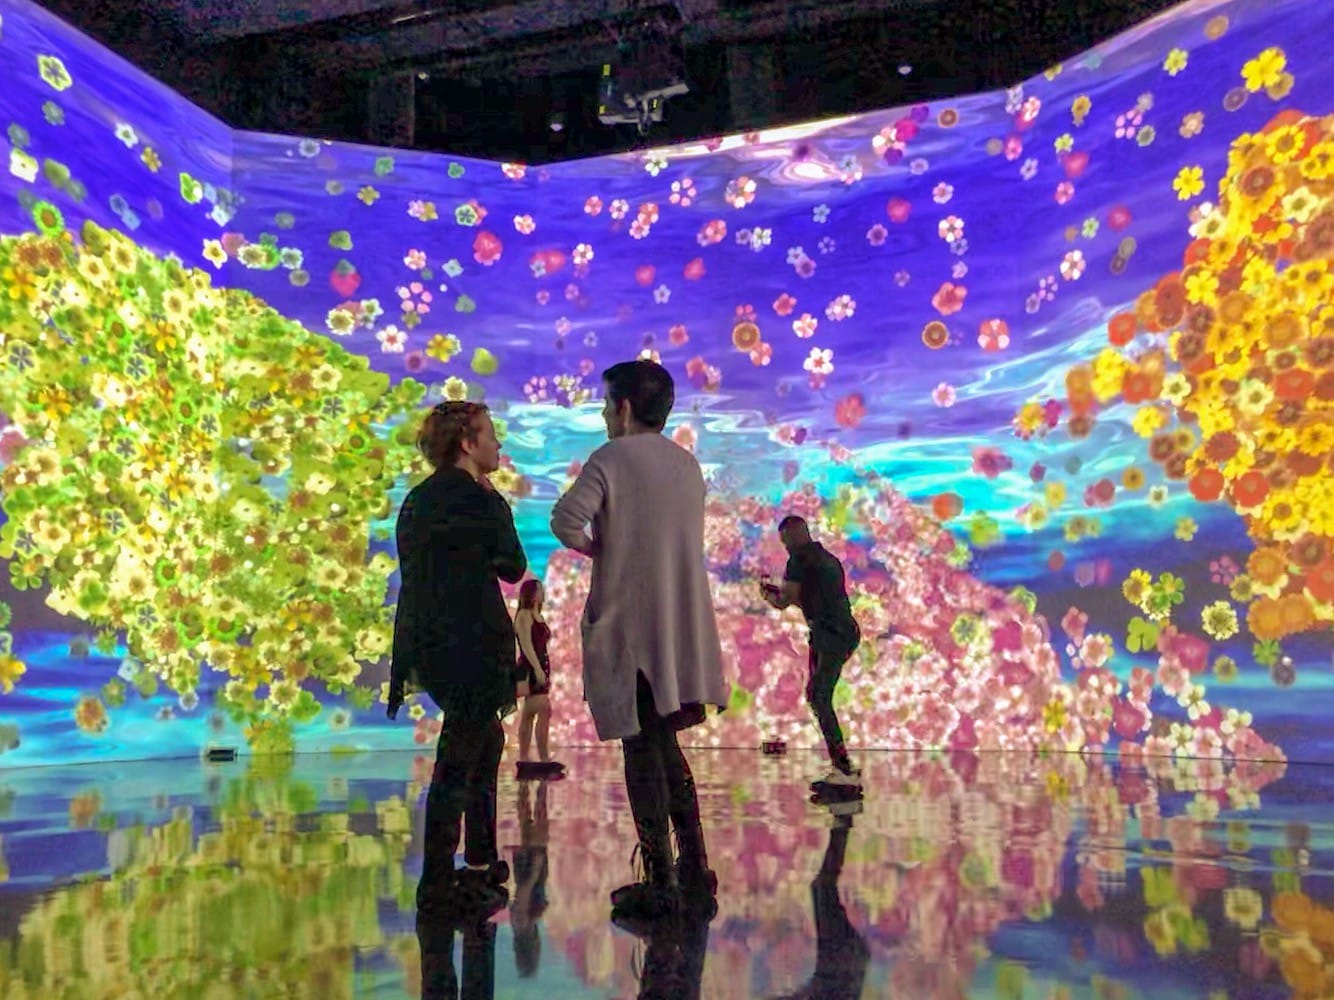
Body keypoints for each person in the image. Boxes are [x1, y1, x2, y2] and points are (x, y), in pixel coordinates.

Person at [550, 359, 728, 920]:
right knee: (666, 747)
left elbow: (564, 520)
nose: (605, 414)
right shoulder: (687, 465)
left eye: (607, 404)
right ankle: (695, 867)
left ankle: (661, 879)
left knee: (641, 751)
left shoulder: (610, 458)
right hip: (678, 633)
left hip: (631, 629)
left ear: (623, 408)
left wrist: (599, 548)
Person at [388, 401, 528, 916]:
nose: (498, 445)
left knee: (481, 743)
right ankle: (441, 880)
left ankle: (476, 863)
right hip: (475, 643)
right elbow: (513, 566)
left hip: (431, 643)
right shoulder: (480, 499)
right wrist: (497, 504)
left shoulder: (418, 500)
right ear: (467, 443)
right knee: (463, 755)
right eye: (490, 435)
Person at [760, 515, 862, 789]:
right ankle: (841, 765)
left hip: (829, 635)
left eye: (784, 540)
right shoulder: (826, 558)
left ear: (791, 536)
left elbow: (785, 600)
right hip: (840, 631)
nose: (784, 547)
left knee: (818, 696)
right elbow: (813, 598)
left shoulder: (799, 560)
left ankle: (843, 770)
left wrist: (768, 595)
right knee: (817, 695)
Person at [513, 579, 563, 776]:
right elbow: (526, 645)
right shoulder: (524, 616)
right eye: (540, 590)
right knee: (542, 708)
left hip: (541, 665)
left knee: (530, 713)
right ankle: (541, 757)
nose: (543, 593)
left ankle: (525, 759)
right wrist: (536, 669)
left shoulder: (538, 615)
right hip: (531, 667)